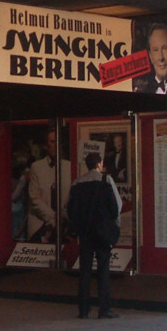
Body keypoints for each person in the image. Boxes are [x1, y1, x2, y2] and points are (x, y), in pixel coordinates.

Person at [65, 151, 122, 319]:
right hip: (102, 232)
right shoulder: (106, 181)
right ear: (99, 164)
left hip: (85, 233)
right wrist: (113, 227)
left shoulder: (77, 183)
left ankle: (83, 309)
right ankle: (104, 309)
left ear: (87, 165)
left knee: (85, 270)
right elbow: (116, 207)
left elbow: (69, 208)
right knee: (103, 270)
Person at [25, 130, 58, 242]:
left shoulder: (68, 166)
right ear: (46, 145)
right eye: (53, 141)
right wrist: (53, 217)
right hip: (40, 226)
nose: (55, 145)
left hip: (63, 228)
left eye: (58, 141)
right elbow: (34, 197)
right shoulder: (37, 167)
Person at [133, 24, 167, 94]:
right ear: (150, 56)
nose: (161, 57)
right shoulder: (142, 91)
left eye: (164, 48)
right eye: (155, 50)